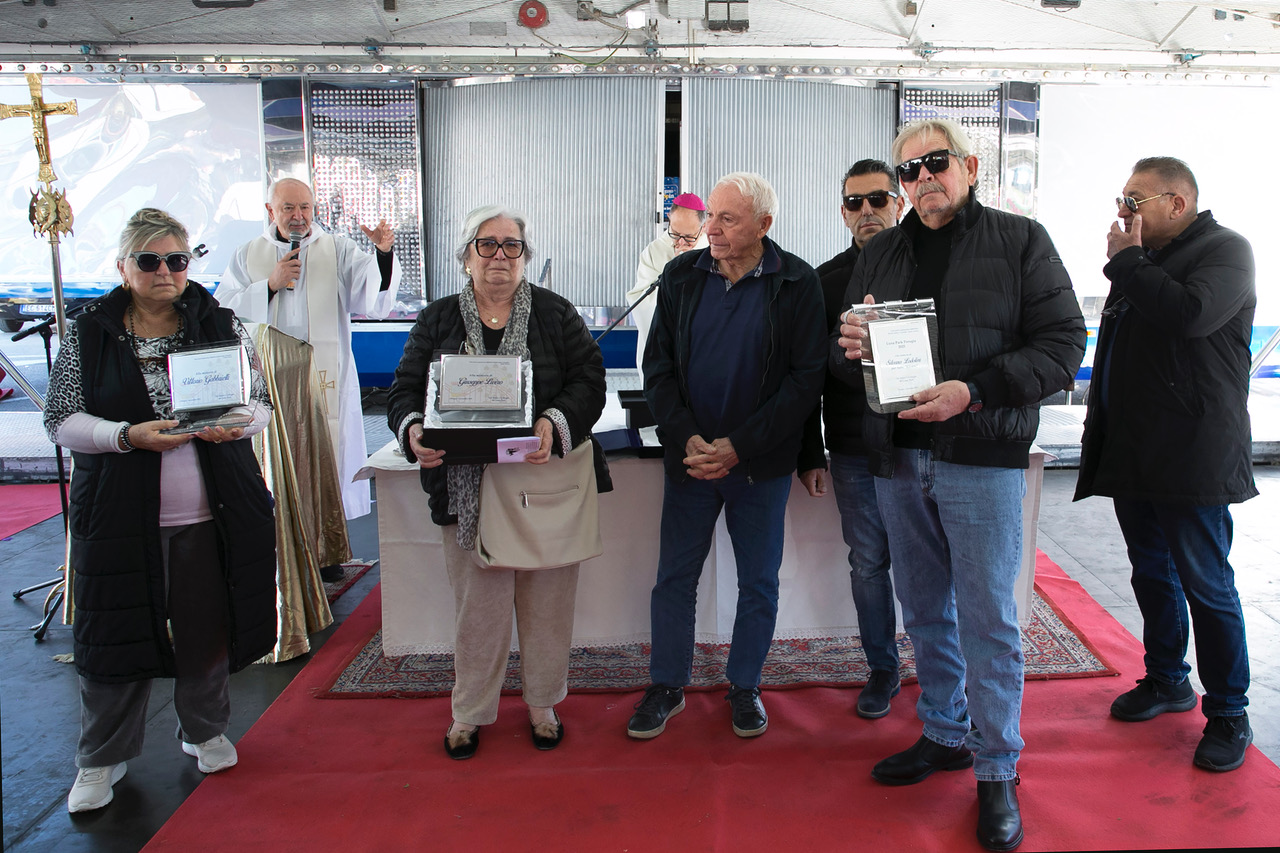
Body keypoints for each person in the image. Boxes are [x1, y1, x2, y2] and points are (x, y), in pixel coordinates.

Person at [835, 119, 1084, 851]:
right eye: (907, 171)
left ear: (969, 166)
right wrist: (851, 347)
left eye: (934, 164)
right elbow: (851, 350)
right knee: (926, 613)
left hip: (980, 454)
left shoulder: (1021, 239)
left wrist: (972, 391)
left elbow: (1065, 346)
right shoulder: (880, 250)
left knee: (989, 621)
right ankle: (944, 731)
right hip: (898, 459)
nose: (920, 180)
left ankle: (997, 765)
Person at [44, 208, 276, 813]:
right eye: (149, 261)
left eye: (177, 259)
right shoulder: (88, 334)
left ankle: (204, 730)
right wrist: (125, 436)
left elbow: (260, 404)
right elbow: (60, 420)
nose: (165, 272)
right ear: (123, 268)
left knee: (207, 631)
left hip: (212, 511)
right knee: (114, 636)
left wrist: (236, 425)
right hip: (119, 514)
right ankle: (101, 757)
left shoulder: (220, 322)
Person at [386, 206, 610, 760]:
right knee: (478, 611)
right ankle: (470, 712)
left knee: (547, 605)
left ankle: (542, 704)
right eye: (487, 245)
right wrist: (412, 428)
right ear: (466, 256)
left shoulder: (556, 315)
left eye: (512, 246)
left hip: (543, 489)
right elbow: (405, 390)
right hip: (467, 494)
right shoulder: (438, 319)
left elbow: (590, 381)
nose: (500, 257)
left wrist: (553, 422)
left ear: (525, 257)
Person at [627, 172, 826, 740]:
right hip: (691, 462)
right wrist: (685, 434)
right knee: (674, 579)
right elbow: (657, 366)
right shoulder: (680, 275)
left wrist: (740, 446)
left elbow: (804, 381)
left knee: (759, 582)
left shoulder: (797, 283)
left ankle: (744, 687)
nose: (708, 228)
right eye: (709, 215)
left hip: (759, 466)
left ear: (764, 225)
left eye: (726, 219)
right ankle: (667, 685)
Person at [1074, 157, 1256, 772]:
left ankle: (1229, 711)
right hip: (1138, 453)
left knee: (1207, 583)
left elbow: (1191, 317)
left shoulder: (1226, 251)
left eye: (1137, 198)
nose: (1125, 210)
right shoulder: (1145, 264)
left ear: (1177, 203)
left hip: (1194, 455)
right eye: (1123, 197)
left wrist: (1125, 260)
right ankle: (1167, 678)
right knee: (1151, 573)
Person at [217, 177, 401, 525]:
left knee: (328, 452)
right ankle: (282, 539)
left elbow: (371, 297)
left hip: (326, 377)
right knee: (280, 457)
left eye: (305, 207)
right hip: (271, 379)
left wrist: (382, 253)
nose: (298, 216)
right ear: (270, 210)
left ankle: (327, 543)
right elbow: (224, 314)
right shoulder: (248, 254)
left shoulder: (337, 248)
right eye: (288, 207)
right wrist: (268, 286)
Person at [799, 159, 905, 719]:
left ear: (899, 202)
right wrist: (810, 452)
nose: (867, 212)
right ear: (843, 212)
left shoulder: (931, 265)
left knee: (929, 563)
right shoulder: (825, 280)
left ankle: (942, 669)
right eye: (854, 203)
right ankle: (882, 668)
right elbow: (809, 375)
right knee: (868, 562)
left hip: (923, 445)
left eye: (877, 200)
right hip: (852, 447)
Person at [624, 192, 709, 371]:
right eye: (675, 233)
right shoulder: (655, 251)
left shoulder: (714, 251)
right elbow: (642, 300)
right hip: (662, 352)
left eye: (689, 236)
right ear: (669, 218)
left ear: (703, 228)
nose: (680, 241)